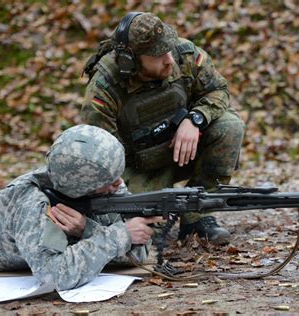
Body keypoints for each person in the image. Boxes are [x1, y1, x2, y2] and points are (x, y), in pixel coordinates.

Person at [81, 12, 246, 245]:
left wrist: (195, 119)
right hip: (139, 167)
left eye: (168, 48)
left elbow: (218, 91)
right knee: (145, 240)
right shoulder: (106, 85)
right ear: (131, 61)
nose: (169, 58)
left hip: (184, 150)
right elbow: (99, 149)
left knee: (230, 125)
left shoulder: (184, 55)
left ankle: (197, 216)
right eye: (158, 55)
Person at [0, 124, 163, 291]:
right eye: (110, 181)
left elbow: (137, 251)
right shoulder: (32, 205)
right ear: (81, 188)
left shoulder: (92, 187)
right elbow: (55, 277)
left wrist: (87, 230)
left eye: (118, 175)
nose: (119, 183)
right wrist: (117, 236)